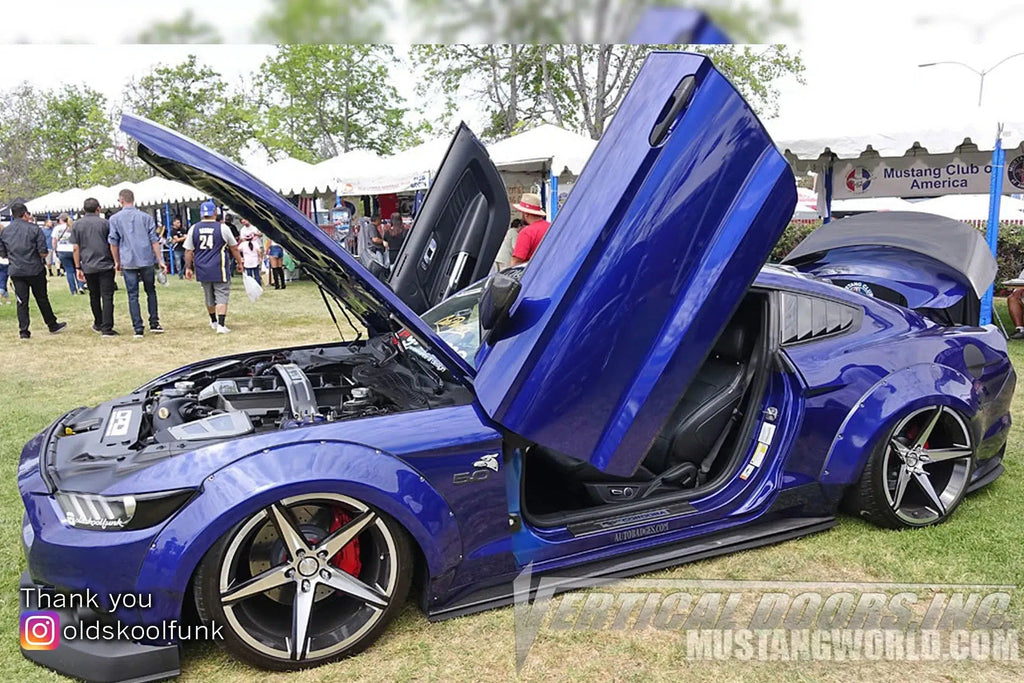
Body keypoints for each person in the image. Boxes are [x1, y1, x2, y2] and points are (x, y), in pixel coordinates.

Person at [0, 203, 67, 339]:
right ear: (25, 214)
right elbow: (43, 252)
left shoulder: (5, 232)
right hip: (35, 269)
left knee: (21, 301)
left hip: (17, 270)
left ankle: (24, 330)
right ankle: (51, 324)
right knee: (42, 298)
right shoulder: (34, 229)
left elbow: (3, 253)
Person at [108, 188, 167, 338]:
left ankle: (138, 328)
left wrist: (117, 261)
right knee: (150, 291)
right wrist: (160, 260)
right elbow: (154, 240)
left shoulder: (115, 219)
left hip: (128, 260)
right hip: (146, 258)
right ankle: (154, 322)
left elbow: (113, 242)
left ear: (121, 200)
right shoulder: (146, 217)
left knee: (132, 294)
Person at [184, 200, 244, 333]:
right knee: (222, 294)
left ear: (201, 213)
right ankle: (221, 325)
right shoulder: (222, 228)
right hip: (219, 267)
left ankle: (213, 321)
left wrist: (188, 268)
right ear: (215, 213)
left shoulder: (193, 228)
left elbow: (188, 250)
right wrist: (240, 262)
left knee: (209, 296)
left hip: (202, 268)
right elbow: (234, 248)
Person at [71, 197, 119, 337]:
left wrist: (77, 267)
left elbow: (75, 248)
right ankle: (107, 327)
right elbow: (112, 244)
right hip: (105, 263)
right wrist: (116, 261)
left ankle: (98, 322)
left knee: (94, 295)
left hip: (88, 264)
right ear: (98, 208)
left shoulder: (77, 225)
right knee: (107, 296)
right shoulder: (105, 224)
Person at [510, 193, 551, 266]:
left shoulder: (526, 232)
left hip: (533, 273)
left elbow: (515, 262)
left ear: (526, 214)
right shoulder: (551, 227)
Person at [52, 213, 85, 295]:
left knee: (69, 271)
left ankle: (73, 290)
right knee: (78, 268)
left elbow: (54, 240)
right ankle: (81, 286)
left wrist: (55, 249)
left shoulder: (57, 228)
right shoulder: (73, 226)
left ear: (60, 220)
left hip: (62, 250)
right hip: (73, 249)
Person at [239, 219, 264, 284]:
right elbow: (242, 239)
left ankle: (251, 285)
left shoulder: (254, 227)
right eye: (243, 222)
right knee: (256, 273)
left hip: (249, 258)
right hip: (254, 256)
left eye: (245, 221)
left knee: (250, 274)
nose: (245, 223)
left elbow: (261, 234)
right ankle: (258, 285)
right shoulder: (243, 230)